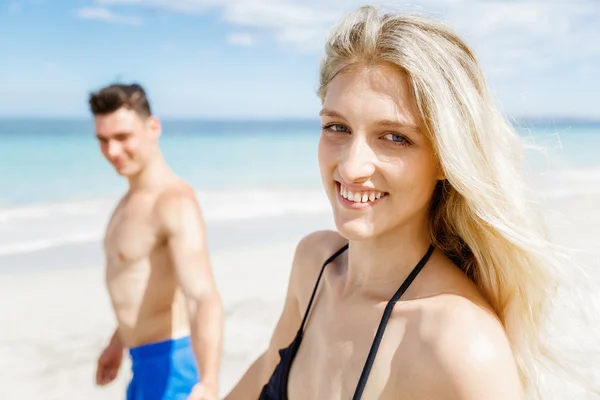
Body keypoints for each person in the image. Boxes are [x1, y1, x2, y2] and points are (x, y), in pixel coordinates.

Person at [225, 5, 598, 400]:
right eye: (337, 127)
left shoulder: (459, 346)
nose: (352, 167)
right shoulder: (315, 264)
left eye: (394, 137)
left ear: (444, 159)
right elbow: (263, 376)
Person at [89, 83, 223, 400]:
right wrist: (117, 342)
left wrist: (209, 382)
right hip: (141, 362)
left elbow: (203, 295)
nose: (112, 151)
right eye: (103, 140)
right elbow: (141, 287)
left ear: (153, 127)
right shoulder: (127, 203)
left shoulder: (174, 202)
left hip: (172, 366)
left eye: (122, 137)